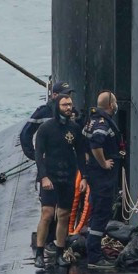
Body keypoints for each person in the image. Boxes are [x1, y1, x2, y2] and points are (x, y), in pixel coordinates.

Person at [34, 88, 81, 259]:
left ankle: (60, 252)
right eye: (65, 104)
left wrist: (84, 177)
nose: (69, 107)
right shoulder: (46, 129)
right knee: (47, 213)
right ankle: (39, 253)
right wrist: (43, 177)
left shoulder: (74, 128)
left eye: (70, 104)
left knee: (63, 215)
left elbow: (82, 153)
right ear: (57, 106)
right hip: (50, 177)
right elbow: (38, 154)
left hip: (67, 177)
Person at [81, 89, 124, 262]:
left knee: (97, 212)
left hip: (95, 174)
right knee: (101, 213)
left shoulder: (91, 120)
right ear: (111, 105)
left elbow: (84, 144)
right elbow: (95, 144)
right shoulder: (102, 124)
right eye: (114, 102)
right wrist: (103, 162)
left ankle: (93, 248)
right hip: (102, 177)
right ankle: (94, 257)